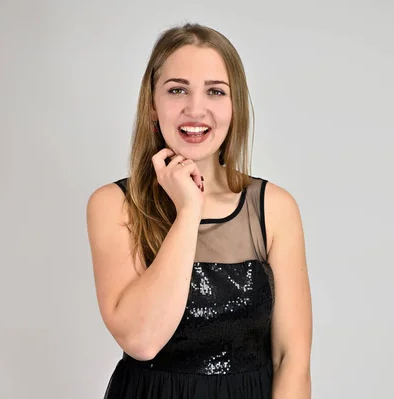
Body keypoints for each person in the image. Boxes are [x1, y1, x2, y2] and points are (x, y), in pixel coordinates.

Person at [86, 23, 312, 399]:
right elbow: (141, 340)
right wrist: (189, 210)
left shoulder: (273, 208)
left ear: (234, 106)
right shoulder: (114, 205)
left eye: (215, 91)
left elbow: (292, 359)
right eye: (177, 90)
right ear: (152, 107)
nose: (195, 109)